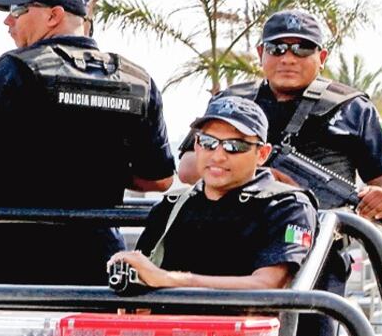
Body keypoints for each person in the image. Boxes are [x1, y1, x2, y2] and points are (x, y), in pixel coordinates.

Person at [177, 9, 382, 336]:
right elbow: (187, 168)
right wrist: (261, 172)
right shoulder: (230, 102)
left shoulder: (352, 108)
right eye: (277, 48)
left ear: (322, 57)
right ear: (260, 54)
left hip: (316, 255)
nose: (288, 57)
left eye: (302, 48)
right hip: (230, 250)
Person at [0, 0, 175, 285]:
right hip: (94, 264)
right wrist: (97, 169)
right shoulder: (136, 80)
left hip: (1, 258)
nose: (8, 22)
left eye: (17, 11)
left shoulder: (14, 69)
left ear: (54, 15)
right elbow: (160, 180)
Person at [109, 97, 317, 296]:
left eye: (235, 146)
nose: (218, 156)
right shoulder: (172, 206)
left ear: (262, 154)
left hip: (247, 330)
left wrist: (172, 280)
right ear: (196, 145)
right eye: (208, 142)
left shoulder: (286, 207)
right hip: (168, 328)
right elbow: (143, 279)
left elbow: (267, 287)